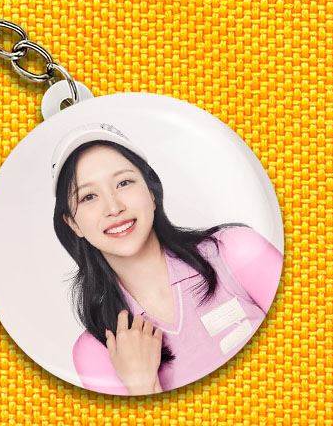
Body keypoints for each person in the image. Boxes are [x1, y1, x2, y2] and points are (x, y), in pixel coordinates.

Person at [51, 121, 282, 395]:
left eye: (124, 183)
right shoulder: (95, 351)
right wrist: (142, 384)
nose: (113, 207)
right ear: (73, 223)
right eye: (89, 197)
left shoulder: (235, 250)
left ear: (151, 192)